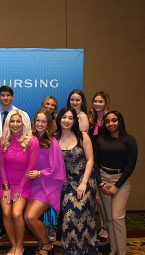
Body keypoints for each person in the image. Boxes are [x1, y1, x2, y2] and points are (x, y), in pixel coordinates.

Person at [0, 85, 30, 240]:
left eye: (8, 95)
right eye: (2, 95)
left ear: (12, 97)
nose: (5, 98)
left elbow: (28, 136)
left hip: (19, 162)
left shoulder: (22, 115)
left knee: (16, 210)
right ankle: (1, 227)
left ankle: (19, 236)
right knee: (3, 203)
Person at [95, 111, 138, 255]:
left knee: (117, 218)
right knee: (109, 219)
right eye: (107, 121)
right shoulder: (101, 139)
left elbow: (130, 166)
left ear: (120, 121)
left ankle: (122, 252)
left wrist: (116, 186)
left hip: (120, 182)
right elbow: (95, 163)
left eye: (114, 120)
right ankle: (113, 250)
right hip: (103, 180)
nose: (111, 124)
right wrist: (100, 183)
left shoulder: (129, 140)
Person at [24, 110, 66, 255]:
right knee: (26, 218)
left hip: (49, 184)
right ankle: (42, 241)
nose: (40, 124)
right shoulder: (31, 139)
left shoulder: (52, 142)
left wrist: (40, 173)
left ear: (48, 124)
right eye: (38, 121)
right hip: (34, 184)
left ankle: (47, 244)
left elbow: (58, 168)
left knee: (31, 217)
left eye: (43, 121)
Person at [57, 106, 97, 254]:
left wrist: (84, 183)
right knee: (68, 218)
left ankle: (86, 250)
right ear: (59, 118)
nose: (66, 120)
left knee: (82, 217)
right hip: (67, 184)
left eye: (70, 118)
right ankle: (71, 251)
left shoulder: (82, 136)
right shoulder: (55, 138)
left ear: (75, 121)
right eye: (64, 117)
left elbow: (90, 160)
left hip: (85, 181)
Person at [0, 109, 39, 255]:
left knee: (16, 214)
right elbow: (1, 166)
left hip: (24, 183)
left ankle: (20, 245)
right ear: (8, 123)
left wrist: (19, 188)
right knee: (6, 212)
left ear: (23, 123)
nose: (15, 124)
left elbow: (31, 167)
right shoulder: (3, 140)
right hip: (6, 183)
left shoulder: (32, 141)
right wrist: (6, 187)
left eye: (18, 121)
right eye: (12, 121)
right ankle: (13, 244)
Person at [87, 91, 111, 248]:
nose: (97, 104)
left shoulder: (110, 119)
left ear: (105, 103)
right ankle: (103, 226)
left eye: (100, 101)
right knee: (96, 198)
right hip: (91, 161)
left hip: (103, 162)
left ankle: (105, 227)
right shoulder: (90, 120)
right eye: (95, 101)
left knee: (102, 198)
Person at [38, 96, 59, 241]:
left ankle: (49, 238)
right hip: (36, 174)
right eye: (47, 103)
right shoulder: (38, 120)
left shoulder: (58, 123)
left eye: (53, 105)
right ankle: (43, 240)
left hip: (51, 170)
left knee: (50, 207)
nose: (49, 106)